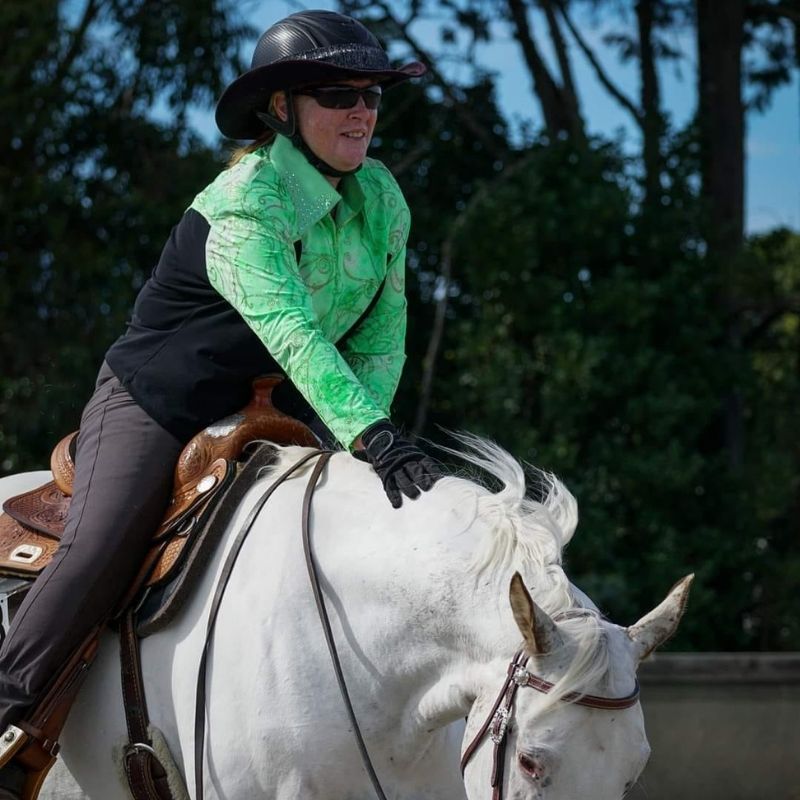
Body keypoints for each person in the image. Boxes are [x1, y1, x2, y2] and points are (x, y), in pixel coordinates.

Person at [0, 10, 440, 797]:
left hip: (288, 414)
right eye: (338, 93)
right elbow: (297, 336)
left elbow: (381, 342)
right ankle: (6, 719)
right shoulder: (244, 205)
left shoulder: (385, 198)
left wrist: (363, 447)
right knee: (102, 547)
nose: (362, 111)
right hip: (157, 405)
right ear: (281, 110)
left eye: (373, 94)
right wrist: (373, 436)